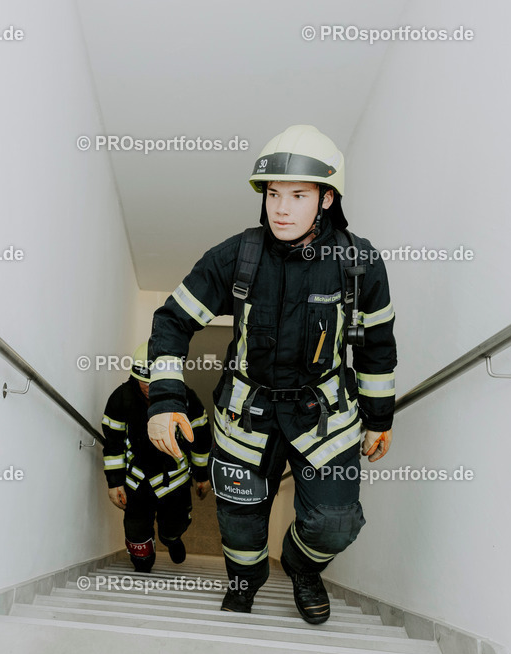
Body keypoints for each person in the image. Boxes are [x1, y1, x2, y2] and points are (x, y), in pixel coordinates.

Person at [145, 125, 396, 622]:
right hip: (245, 416)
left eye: (297, 195)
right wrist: (166, 400)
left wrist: (379, 416)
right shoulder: (238, 255)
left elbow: (378, 346)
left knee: (335, 523)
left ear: (326, 198)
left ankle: (302, 568)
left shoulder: (359, 261)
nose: (280, 209)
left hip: (324, 415)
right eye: (273, 195)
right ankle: (246, 581)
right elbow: (171, 320)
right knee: (239, 523)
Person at [101, 342, 212, 572]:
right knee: (136, 531)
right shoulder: (121, 398)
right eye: (145, 383)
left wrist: (202, 476)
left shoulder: (186, 399)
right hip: (137, 480)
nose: (150, 389)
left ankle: (171, 539)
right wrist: (115, 482)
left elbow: (200, 439)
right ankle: (142, 561)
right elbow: (113, 443)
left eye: (156, 383)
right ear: (135, 376)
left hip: (175, 478)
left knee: (174, 525)